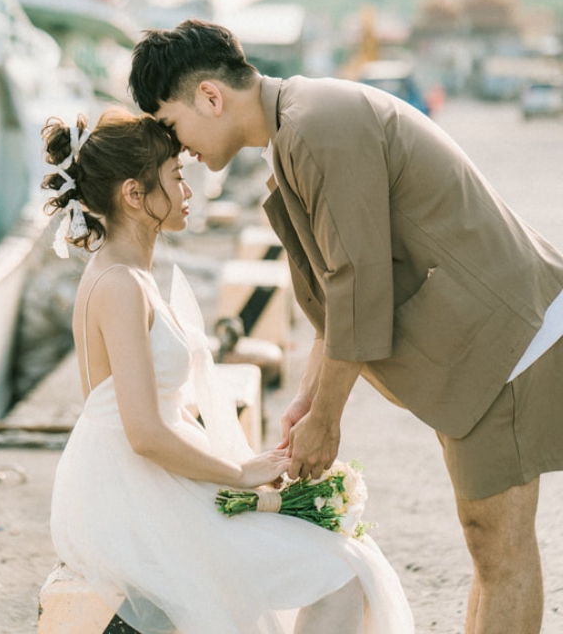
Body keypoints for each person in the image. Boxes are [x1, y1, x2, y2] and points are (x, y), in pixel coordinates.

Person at [128, 19, 563, 634]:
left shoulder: (315, 126)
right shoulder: (296, 128)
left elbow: (358, 283)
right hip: (482, 345)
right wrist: (308, 403)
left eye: (173, 126)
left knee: (500, 545)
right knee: (488, 542)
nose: (180, 151)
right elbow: (339, 291)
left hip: (508, 336)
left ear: (210, 97)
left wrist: (328, 419)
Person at [44, 109, 413, 633]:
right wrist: (241, 475)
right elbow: (145, 432)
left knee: (340, 558)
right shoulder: (122, 284)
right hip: (131, 492)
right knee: (339, 569)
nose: (188, 188)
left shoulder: (125, 275)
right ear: (133, 193)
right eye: (175, 177)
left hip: (145, 478)